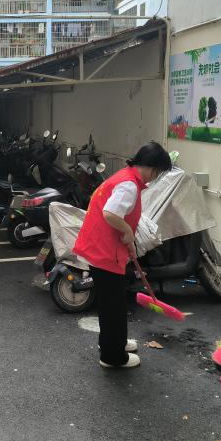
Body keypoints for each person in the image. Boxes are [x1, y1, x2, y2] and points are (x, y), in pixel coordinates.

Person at [73, 142, 172, 369]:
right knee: (113, 306)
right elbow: (110, 213)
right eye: (158, 172)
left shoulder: (125, 176)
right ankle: (113, 356)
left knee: (113, 302)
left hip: (101, 247)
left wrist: (128, 240)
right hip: (104, 252)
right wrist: (127, 231)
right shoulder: (129, 185)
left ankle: (115, 342)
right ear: (152, 167)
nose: (155, 177)